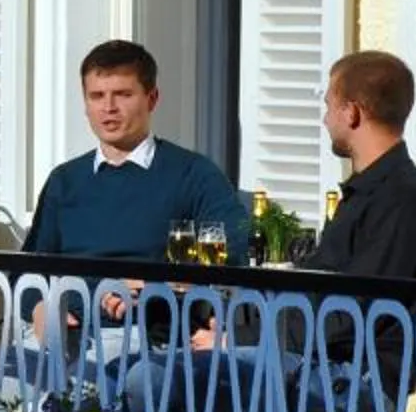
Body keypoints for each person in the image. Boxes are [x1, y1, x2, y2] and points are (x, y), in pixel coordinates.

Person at [301, 51, 416, 412]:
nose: (325, 120)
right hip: (320, 363)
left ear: (352, 113)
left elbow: (350, 311)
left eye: (329, 106)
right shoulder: (374, 194)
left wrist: (239, 339)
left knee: (156, 380)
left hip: (358, 381)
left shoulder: (402, 200)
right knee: (158, 364)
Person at [22, 40, 252, 269]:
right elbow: (27, 277)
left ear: (152, 99)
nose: (109, 107)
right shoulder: (64, 181)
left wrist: (154, 286)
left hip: (153, 302)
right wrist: (44, 306)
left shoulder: (194, 175)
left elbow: (233, 250)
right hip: (75, 305)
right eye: (97, 95)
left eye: (122, 94)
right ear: (85, 104)